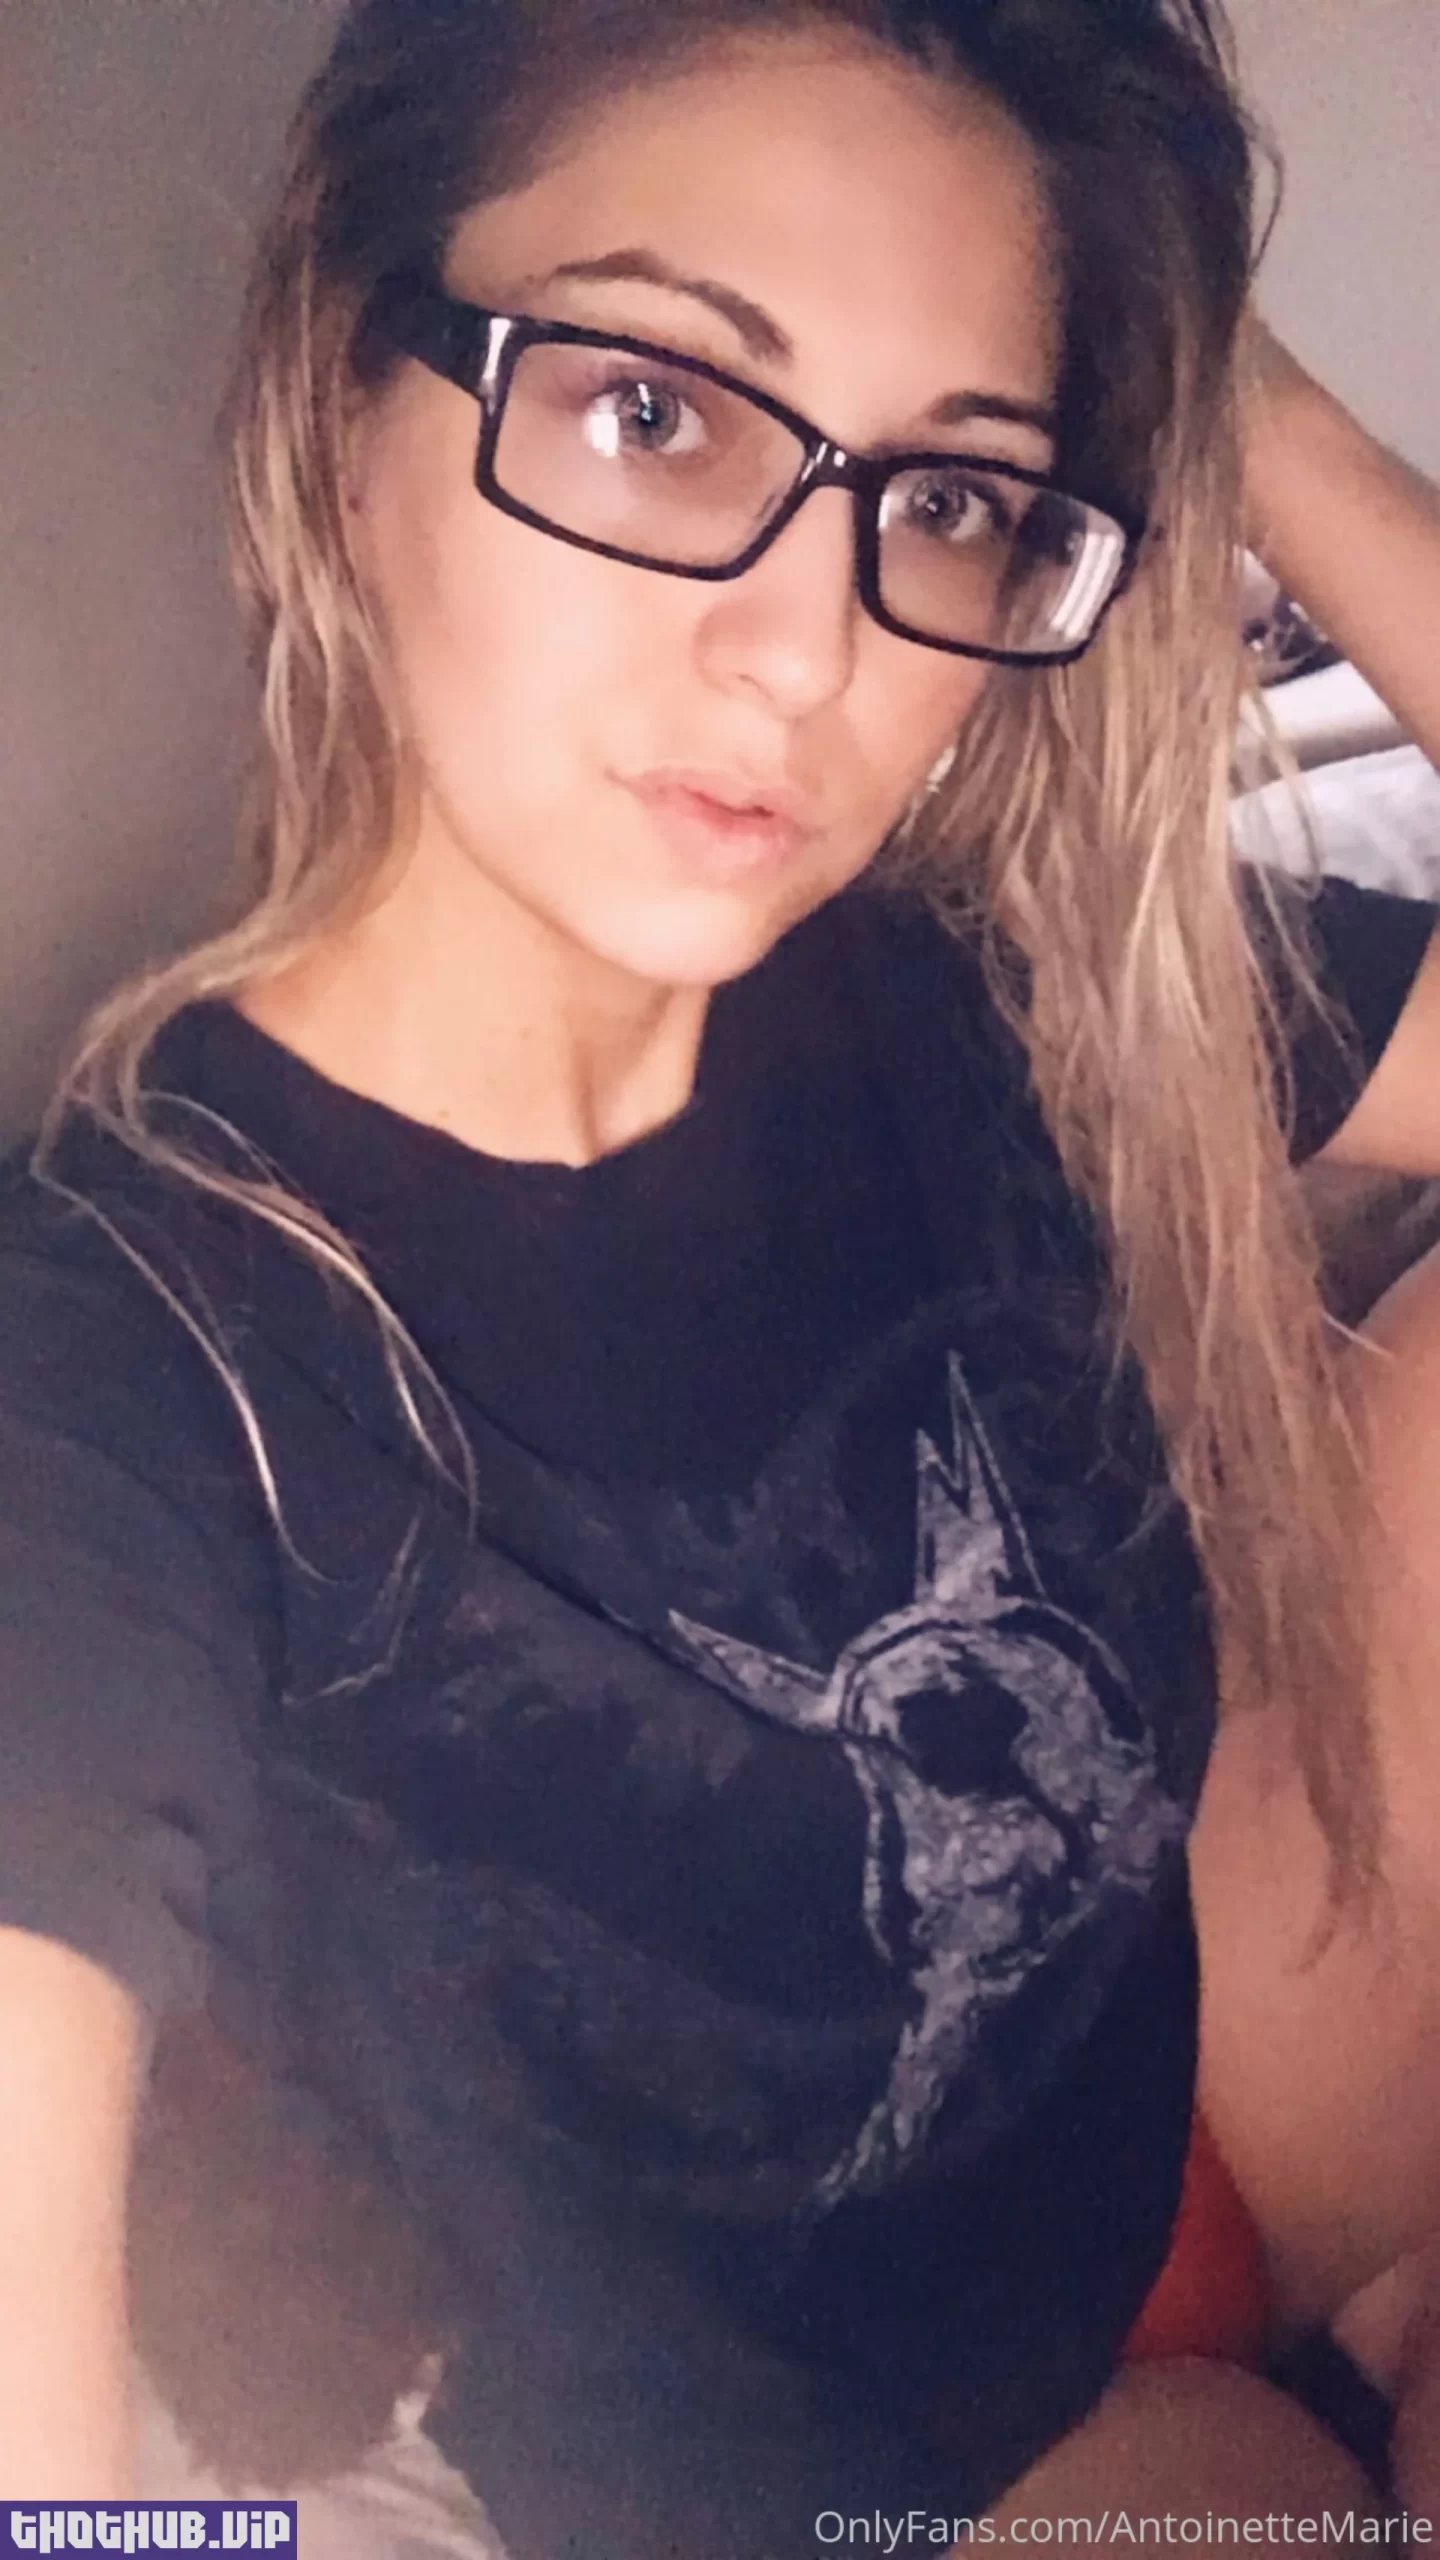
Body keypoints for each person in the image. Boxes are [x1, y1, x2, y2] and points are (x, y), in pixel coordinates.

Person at [3, 0, 1440, 2542]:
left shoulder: (988, 986)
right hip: (897, 2481)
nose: (805, 649)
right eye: (657, 410)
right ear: (339, 406)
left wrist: (1241, 396)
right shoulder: (126, 1368)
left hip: (1214, 2060)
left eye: (951, 495)